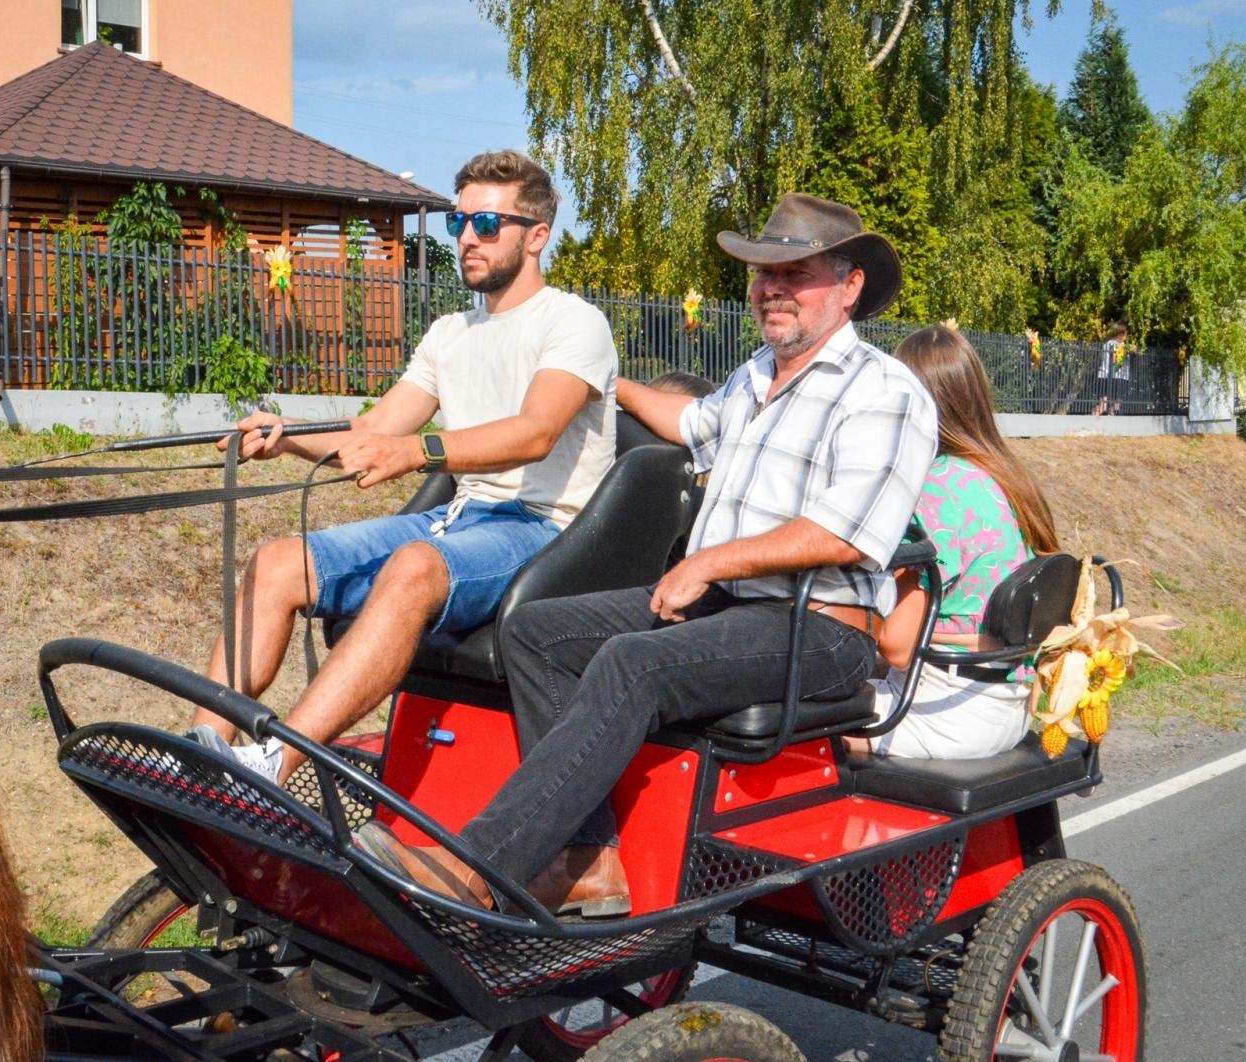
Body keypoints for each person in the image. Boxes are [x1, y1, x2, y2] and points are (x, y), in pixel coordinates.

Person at [355, 192, 938, 914]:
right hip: (733, 610)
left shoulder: (886, 390)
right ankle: (590, 859)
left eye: (799, 272)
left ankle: (478, 867)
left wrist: (706, 562)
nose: (773, 288)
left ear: (849, 287)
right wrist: (601, 381)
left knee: (635, 662)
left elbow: (846, 532)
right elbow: (690, 421)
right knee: (536, 629)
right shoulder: (756, 375)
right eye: (764, 273)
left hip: (819, 628)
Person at [187, 150, 618, 784]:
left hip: (544, 531)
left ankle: (275, 764)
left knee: (412, 566)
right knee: (278, 561)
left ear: (536, 236)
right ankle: (199, 753)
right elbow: (374, 430)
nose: (468, 239)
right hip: (461, 520)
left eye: (487, 225)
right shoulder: (449, 333)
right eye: (459, 223)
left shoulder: (574, 323)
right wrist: (287, 437)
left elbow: (536, 432)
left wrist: (421, 452)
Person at [850, 325, 1061, 760]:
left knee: (801, 721)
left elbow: (899, 646)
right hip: (1010, 706)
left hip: (946, 713)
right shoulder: (1006, 477)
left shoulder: (934, 491)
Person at [1095, 324, 1131, 416]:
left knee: (1115, 405)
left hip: (1120, 377)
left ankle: (1113, 420)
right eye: (1125, 335)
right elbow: (1116, 362)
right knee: (1104, 404)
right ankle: (1091, 419)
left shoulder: (1121, 345)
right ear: (1120, 334)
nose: (1125, 338)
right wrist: (1124, 350)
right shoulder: (1111, 344)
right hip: (1108, 375)